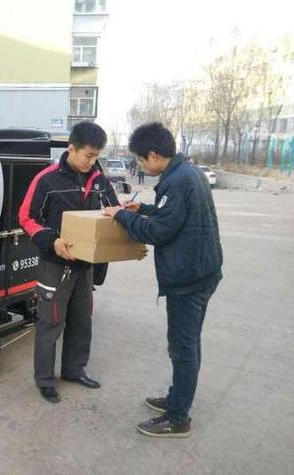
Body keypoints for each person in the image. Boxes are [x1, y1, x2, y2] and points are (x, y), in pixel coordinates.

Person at [103, 122, 223, 437]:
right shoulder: (188, 173)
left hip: (188, 277)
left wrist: (122, 215)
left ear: (154, 155)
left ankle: (178, 417)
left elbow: (159, 232)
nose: (141, 166)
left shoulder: (177, 181)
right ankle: (177, 398)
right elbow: (174, 215)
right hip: (203, 270)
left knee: (183, 348)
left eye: (141, 160)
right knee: (189, 342)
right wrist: (143, 207)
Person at [18, 122, 119, 404]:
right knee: (51, 323)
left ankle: (74, 370)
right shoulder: (47, 180)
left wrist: (124, 218)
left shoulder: (99, 180)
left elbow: (114, 211)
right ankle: (45, 380)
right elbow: (26, 217)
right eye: (88, 155)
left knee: (81, 320)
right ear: (71, 149)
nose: (92, 161)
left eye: (96, 156)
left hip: (85, 266)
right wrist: (52, 241)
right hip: (55, 264)